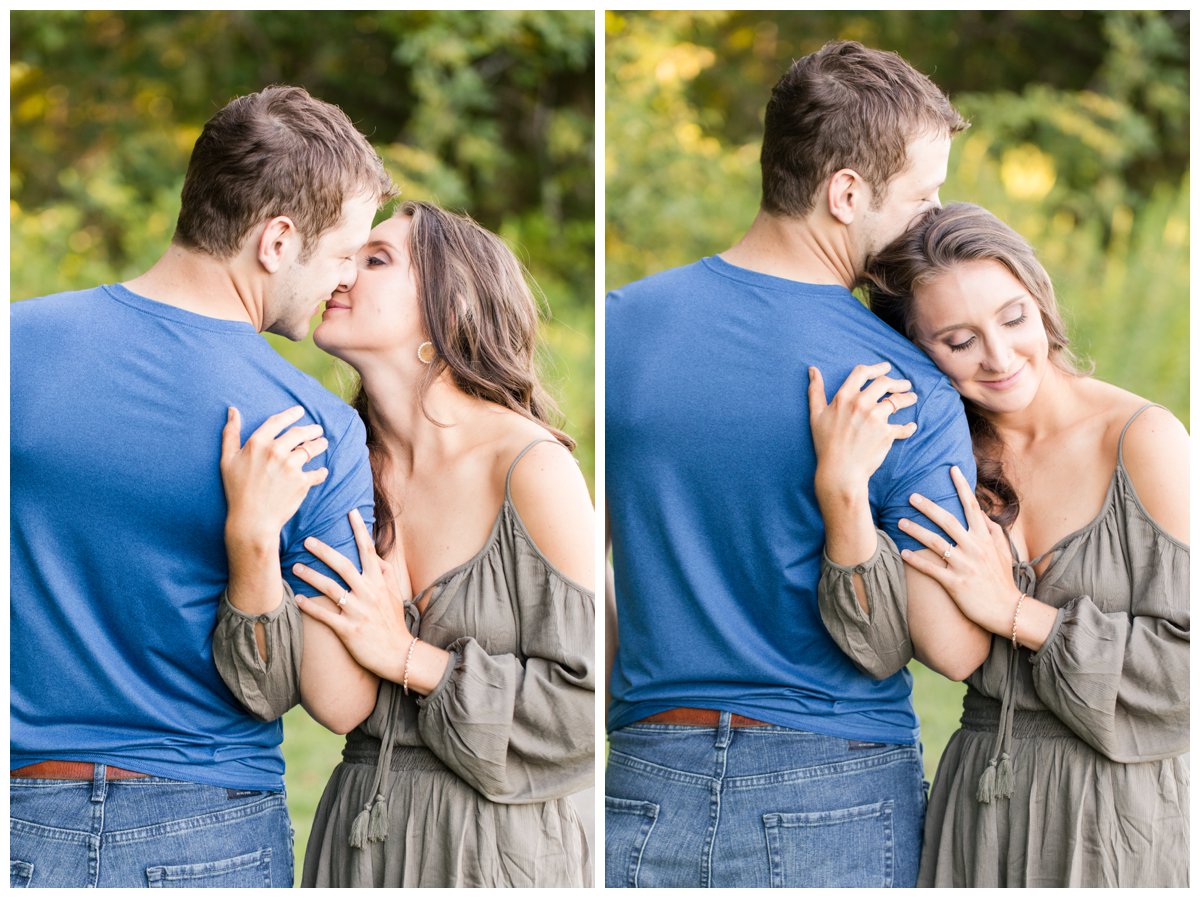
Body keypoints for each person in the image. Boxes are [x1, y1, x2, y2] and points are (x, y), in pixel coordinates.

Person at [604, 41, 991, 888]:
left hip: (640, 771)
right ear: (845, 192)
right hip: (839, 783)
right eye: (922, 196)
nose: (932, 219)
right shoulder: (908, 382)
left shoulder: (618, 326)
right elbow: (949, 647)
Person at [10, 85, 395, 889]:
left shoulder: (16, 346)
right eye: (340, 254)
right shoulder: (312, 428)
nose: (341, 280)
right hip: (208, 825)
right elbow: (340, 701)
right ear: (277, 240)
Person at [213, 200, 596, 887]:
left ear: (450, 311)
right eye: (348, 254)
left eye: (376, 258)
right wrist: (256, 541)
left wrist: (410, 658)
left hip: (499, 852)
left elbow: (583, 710)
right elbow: (274, 691)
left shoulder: (532, 469)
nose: (341, 273)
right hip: (360, 840)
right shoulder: (327, 467)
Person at [813, 202, 1189, 887]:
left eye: (1012, 318)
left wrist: (1015, 613)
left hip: (1122, 816)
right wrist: (843, 491)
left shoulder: (1145, 440)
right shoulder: (937, 457)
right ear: (915, 348)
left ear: (1039, 298)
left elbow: (1183, 668)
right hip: (981, 803)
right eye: (958, 340)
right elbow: (884, 646)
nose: (1000, 356)